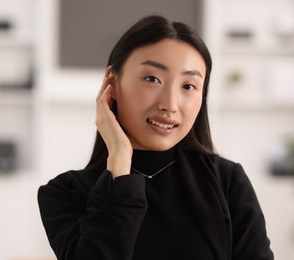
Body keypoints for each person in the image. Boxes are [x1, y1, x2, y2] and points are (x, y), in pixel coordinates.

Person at [38, 15, 274, 260]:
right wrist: (119, 161)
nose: (170, 105)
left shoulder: (228, 182)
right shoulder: (65, 193)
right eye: (152, 79)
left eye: (188, 86)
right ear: (112, 82)